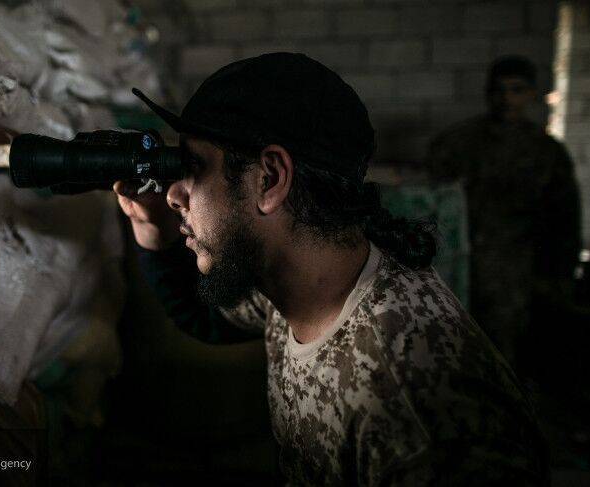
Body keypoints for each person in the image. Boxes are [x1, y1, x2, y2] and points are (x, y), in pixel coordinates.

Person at [117, 53, 548, 485]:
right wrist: (152, 227)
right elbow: (206, 315)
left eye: (194, 167)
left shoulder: (413, 408)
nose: (174, 194)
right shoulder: (304, 276)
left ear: (269, 179)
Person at [425, 55, 581, 370]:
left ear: (531, 94)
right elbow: (431, 201)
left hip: (519, 269)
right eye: (499, 90)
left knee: (507, 352)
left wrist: (560, 274)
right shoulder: (458, 143)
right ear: (488, 94)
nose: (507, 98)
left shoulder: (546, 152)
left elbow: (565, 217)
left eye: (517, 90)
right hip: (457, 264)